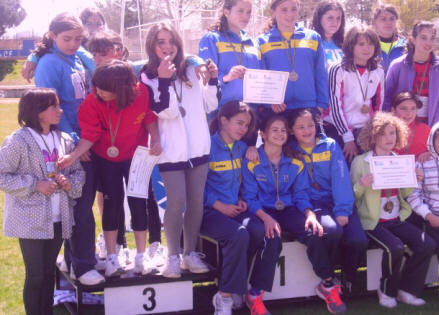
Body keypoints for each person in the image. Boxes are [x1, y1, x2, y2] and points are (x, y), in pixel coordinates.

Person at [58, 60, 162, 276]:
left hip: (136, 157)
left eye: (103, 89)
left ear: (122, 89)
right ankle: (112, 257)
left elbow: (150, 119)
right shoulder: (91, 102)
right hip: (106, 159)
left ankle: (142, 257)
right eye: (95, 87)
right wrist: (73, 155)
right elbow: (89, 136)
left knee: (139, 202)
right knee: (112, 204)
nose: (98, 92)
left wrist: (156, 139)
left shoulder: (141, 93)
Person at [242, 114, 346, 314]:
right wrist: (266, 218)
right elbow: (249, 198)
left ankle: (327, 284)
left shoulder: (295, 161)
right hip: (263, 211)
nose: (280, 134)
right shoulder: (252, 160)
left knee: (314, 231)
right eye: (274, 130)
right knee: (272, 237)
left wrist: (309, 214)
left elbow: (300, 194)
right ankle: (254, 295)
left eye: (283, 130)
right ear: (262, 134)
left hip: (289, 209)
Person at [140, 22, 219, 278]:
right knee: (176, 201)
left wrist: (213, 79)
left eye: (171, 41)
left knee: (196, 201)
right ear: (152, 46)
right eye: (161, 42)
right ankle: (171, 255)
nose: (167, 47)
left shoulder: (191, 68)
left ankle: (189, 253)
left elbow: (210, 103)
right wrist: (164, 80)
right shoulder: (148, 75)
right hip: (171, 149)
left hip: (198, 146)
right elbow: (168, 111)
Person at [33, 12, 105, 286]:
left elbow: (108, 65)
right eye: (67, 39)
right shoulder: (50, 63)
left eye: (78, 38)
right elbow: (50, 108)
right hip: (73, 145)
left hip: (90, 139)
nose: (74, 43)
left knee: (83, 205)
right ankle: (82, 266)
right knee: (80, 207)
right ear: (52, 36)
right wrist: (74, 143)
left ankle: (77, 259)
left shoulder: (78, 57)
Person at [0, 88, 85, 315]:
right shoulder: (18, 141)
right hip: (30, 221)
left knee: (49, 273)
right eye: (54, 106)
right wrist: (34, 185)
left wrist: (68, 183)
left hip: (58, 217)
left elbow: (78, 172)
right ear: (38, 111)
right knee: (36, 274)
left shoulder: (64, 139)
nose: (60, 110)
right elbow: (1, 175)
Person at [202, 101, 282, 315]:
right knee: (239, 235)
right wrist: (218, 205)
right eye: (239, 123)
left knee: (264, 232)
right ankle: (224, 297)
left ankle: (247, 290)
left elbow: (244, 180)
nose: (243, 129)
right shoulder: (206, 146)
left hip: (235, 210)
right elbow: (194, 186)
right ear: (223, 120)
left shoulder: (243, 149)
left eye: (246, 125)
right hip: (209, 212)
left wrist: (240, 199)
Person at [351, 112, 436, 308]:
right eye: (383, 134)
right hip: (372, 222)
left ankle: (406, 290)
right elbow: (352, 198)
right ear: (373, 137)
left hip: (396, 218)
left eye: (393, 133)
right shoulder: (360, 162)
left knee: (427, 244)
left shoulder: (400, 160)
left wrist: (414, 179)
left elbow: (405, 193)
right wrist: (362, 185)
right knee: (394, 248)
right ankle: (387, 290)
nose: (389, 138)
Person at [288, 108, 368, 293]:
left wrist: (342, 210)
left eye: (310, 125)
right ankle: (329, 279)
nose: (307, 130)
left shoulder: (330, 145)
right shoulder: (290, 150)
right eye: (300, 127)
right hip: (315, 206)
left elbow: (340, 179)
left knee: (358, 241)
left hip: (339, 202)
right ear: (291, 130)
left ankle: (348, 276)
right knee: (331, 231)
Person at [407, 121, 439, 301]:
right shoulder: (422, 164)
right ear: (432, 143)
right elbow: (414, 196)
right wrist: (429, 216)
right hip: (436, 220)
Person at [323, 26, 384, 165]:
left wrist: (373, 130)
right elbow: (335, 105)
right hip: (338, 129)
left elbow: (378, 103)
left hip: (365, 130)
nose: (366, 48)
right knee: (346, 169)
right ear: (351, 45)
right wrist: (347, 137)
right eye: (361, 44)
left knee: (365, 170)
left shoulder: (378, 71)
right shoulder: (338, 69)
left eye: (370, 44)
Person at [257, 0, 328, 116]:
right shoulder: (261, 41)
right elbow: (261, 76)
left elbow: (321, 74)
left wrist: (321, 105)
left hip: (308, 107)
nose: (290, 14)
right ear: (273, 12)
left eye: (293, 9)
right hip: (277, 110)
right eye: (284, 10)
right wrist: (270, 102)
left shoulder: (313, 38)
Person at [383, 21, 439, 127]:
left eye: (432, 38)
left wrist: (434, 127)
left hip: (428, 125)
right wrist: (390, 125)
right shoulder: (397, 65)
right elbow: (387, 98)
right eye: (423, 37)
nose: (428, 42)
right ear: (413, 40)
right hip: (400, 126)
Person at [198, 0, 260, 108]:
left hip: (249, 112)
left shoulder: (253, 43)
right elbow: (204, 78)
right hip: (221, 111)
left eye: (248, 12)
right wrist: (227, 77)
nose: (245, 16)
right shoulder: (212, 39)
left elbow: (261, 77)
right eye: (240, 11)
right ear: (226, 12)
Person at [21, 7, 104, 82]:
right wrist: (33, 58)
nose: (94, 28)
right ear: (80, 26)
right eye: (89, 24)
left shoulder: (111, 45)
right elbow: (50, 43)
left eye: (99, 24)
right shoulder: (76, 46)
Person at [390, 91, 431, 160]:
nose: (409, 113)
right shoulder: (385, 130)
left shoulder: (426, 130)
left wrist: (429, 154)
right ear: (393, 110)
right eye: (403, 108)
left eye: (413, 108)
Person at [372, 4, 406, 74]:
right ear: (375, 22)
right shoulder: (369, 46)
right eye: (383, 19)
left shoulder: (406, 47)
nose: (388, 22)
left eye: (392, 19)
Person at [311, 0, 346, 68]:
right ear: (319, 18)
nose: (335, 23)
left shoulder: (345, 44)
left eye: (338, 18)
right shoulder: (311, 42)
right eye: (330, 18)